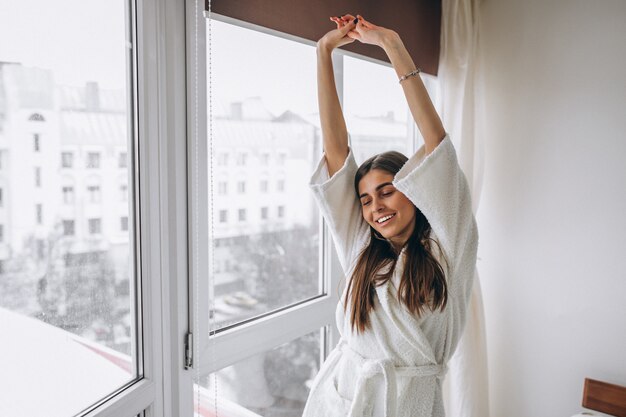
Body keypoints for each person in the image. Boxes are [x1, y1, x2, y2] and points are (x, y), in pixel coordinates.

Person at [301, 14, 479, 417]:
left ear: (417, 191)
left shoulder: (446, 247)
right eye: (365, 199)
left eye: (387, 191)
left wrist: (392, 45)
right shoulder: (361, 246)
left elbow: (437, 147)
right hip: (344, 399)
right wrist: (323, 52)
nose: (376, 206)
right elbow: (336, 151)